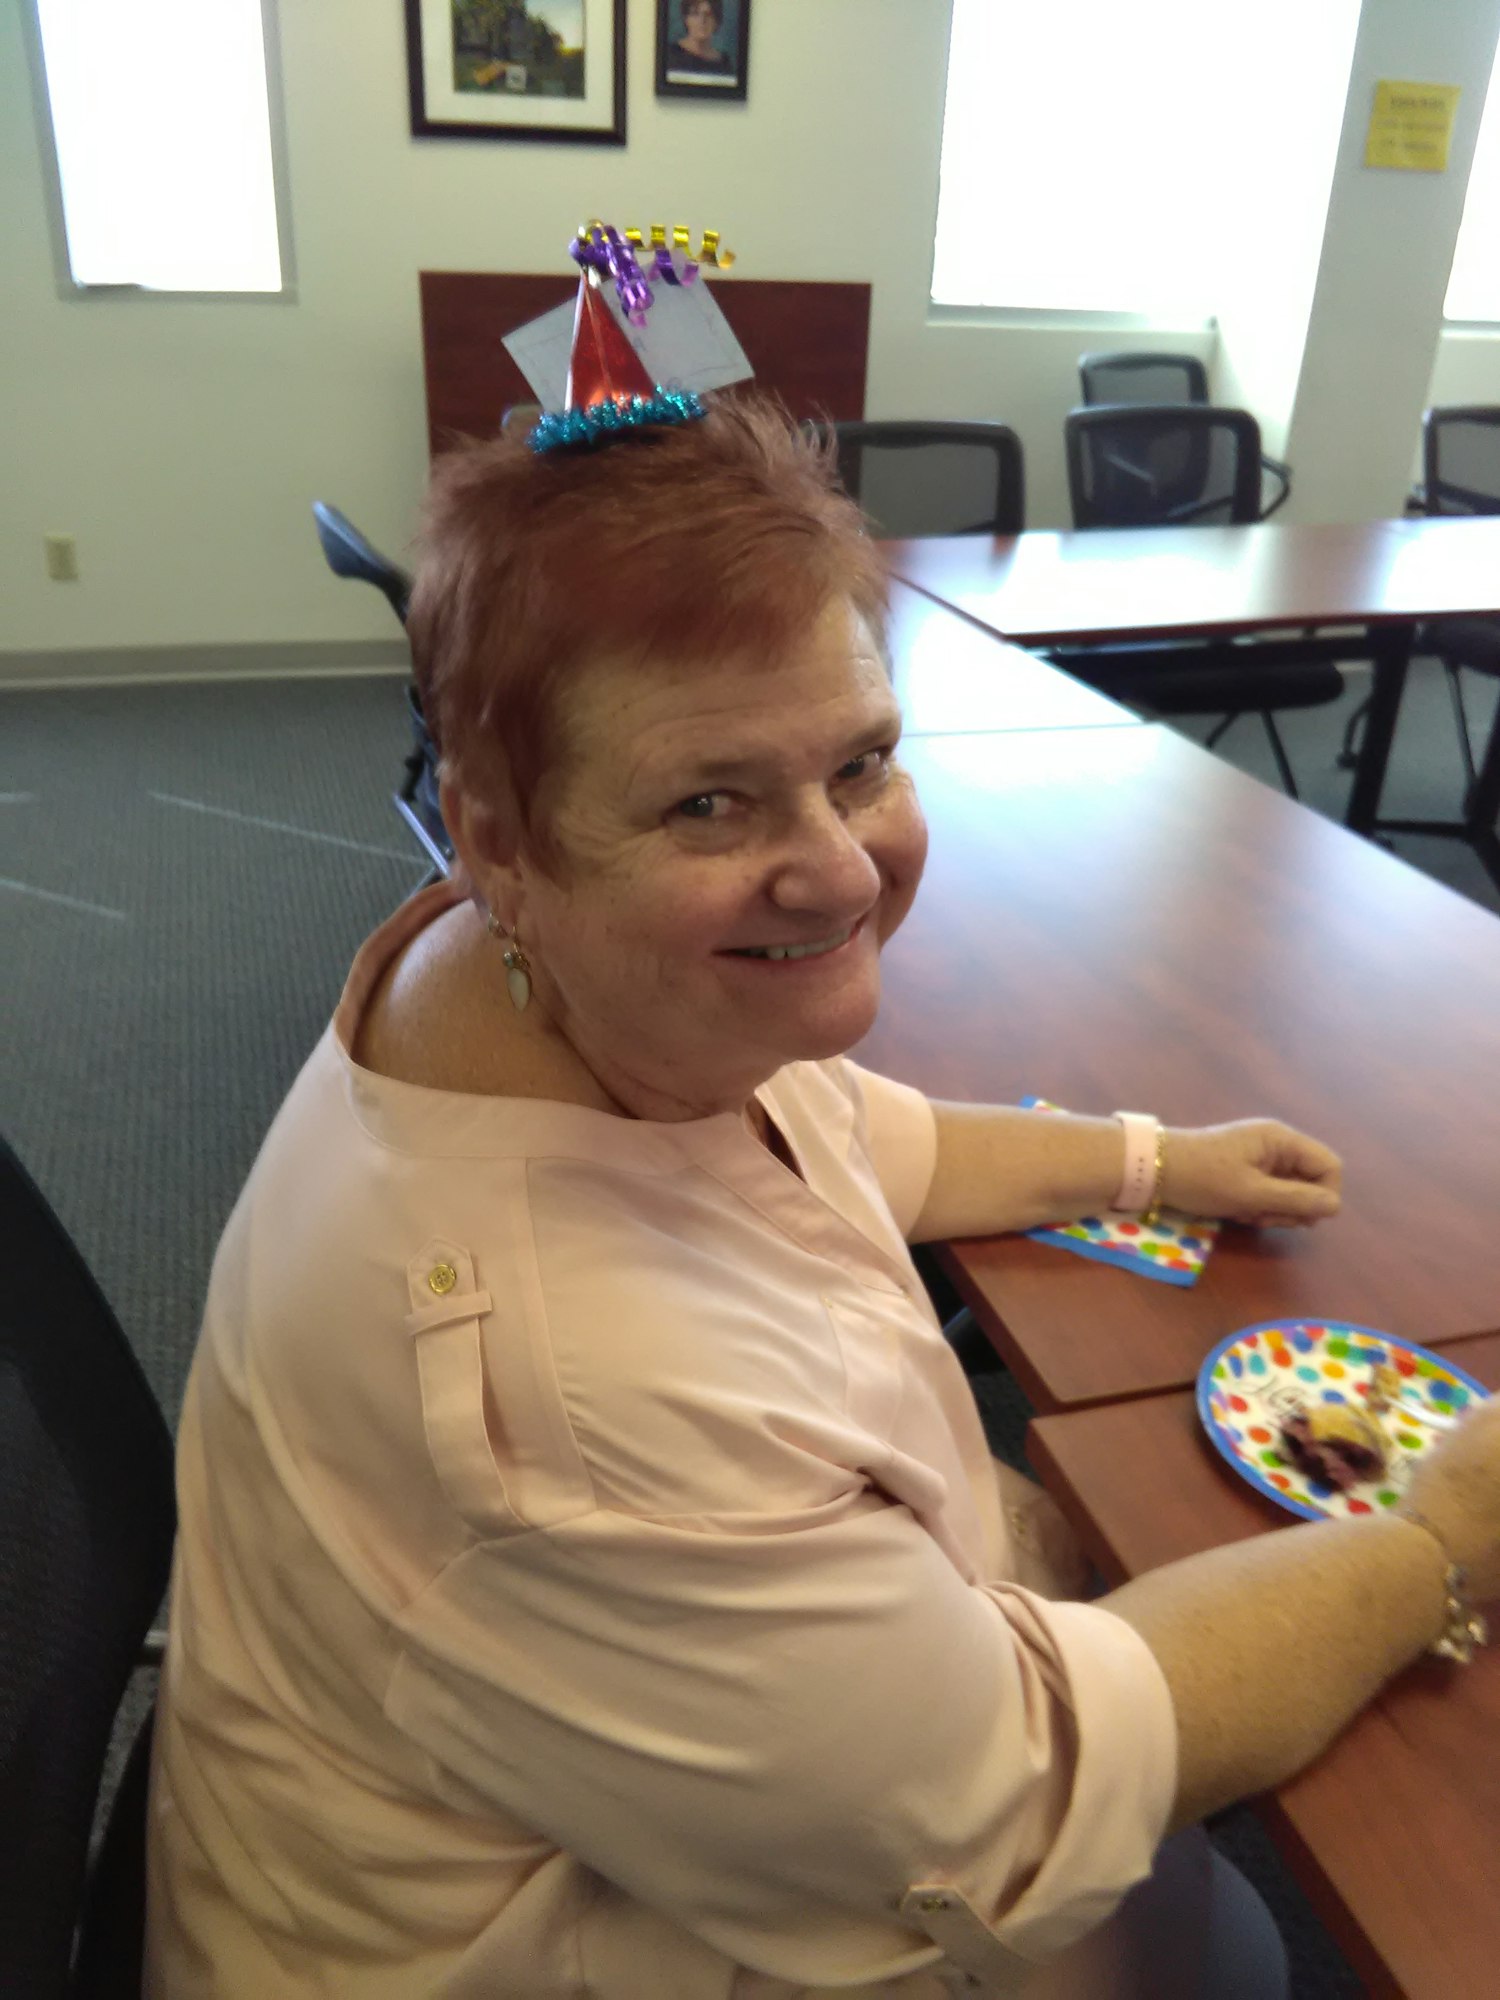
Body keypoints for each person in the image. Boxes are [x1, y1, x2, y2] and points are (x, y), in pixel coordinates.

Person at [145, 392, 1500, 1998]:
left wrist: (1154, 1159)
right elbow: (1024, 1790)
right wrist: (1438, 1548)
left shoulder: (521, 973)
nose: (847, 872)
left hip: (558, 1771)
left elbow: (848, 1128)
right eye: (708, 801)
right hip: (524, 1953)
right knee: (1233, 1953)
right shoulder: (567, 1396)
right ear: (494, 839)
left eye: (860, 763)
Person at [669, 0, 732, 76]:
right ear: (686, 20)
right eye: (695, 14)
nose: (702, 21)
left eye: (708, 15)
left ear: (717, 21)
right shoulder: (671, 54)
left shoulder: (724, 63)